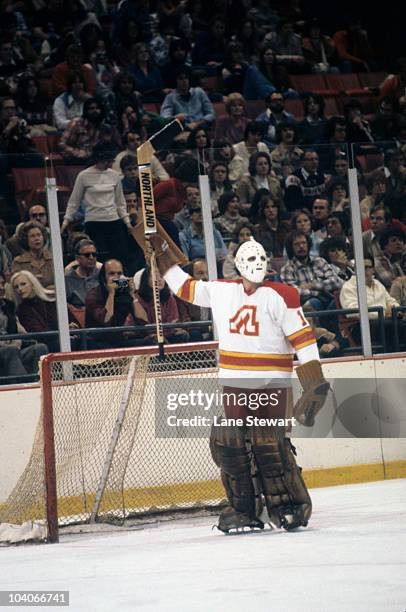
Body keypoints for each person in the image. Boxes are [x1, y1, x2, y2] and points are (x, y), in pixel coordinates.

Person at [141, 232, 328, 533]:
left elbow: (303, 342)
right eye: (251, 259)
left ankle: (287, 504)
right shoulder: (221, 290)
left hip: (272, 384)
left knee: (270, 445)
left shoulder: (283, 295)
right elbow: (183, 286)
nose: (257, 264)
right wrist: (161, 253)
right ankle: (245, 509)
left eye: (261, 258)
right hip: (234, 385)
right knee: (230, 444)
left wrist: (314, 383)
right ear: (239, 264)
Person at [61, 142, 132, 265]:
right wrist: (66, 221)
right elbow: (74, 202)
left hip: (114, 222)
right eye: (109, 160)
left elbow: (120, 203)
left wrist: (127, 223)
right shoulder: (83, 176)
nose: (111, 163)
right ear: (101, 159)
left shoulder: (114, 176)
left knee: (120, 258)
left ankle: (121, 284)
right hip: (94, 224)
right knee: (99, 260)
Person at [85, 258, 149, 348]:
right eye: (111, 274)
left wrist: (133, 295)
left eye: (119, 274)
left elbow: (143, 320)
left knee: (150, 343)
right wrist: (111, 293)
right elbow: (106, 319)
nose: (116, 277)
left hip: (119, 340)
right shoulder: (93, 295)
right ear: (103, 277)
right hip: (97, 341)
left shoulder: (125, 292)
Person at [340, 258, 401, 351]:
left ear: (373, 269)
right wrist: (383, 314)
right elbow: (352, 312)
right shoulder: (348, 286)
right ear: (355, 269)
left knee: (399, 325)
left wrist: (396, 310)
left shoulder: (378, 284)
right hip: (360, 326)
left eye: (368, 267)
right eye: (361, 267)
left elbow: (390, 301)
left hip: (382, 322)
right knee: (391, 326)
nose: (364, 270)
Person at [10, 270, 77, 353]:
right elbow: (39, 333)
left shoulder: (51, 300)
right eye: (16, 287)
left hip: (65, 338)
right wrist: (64, 332)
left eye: (23, 284)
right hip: (45, 344)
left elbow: (74, 322)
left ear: (32, 284)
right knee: (66, 344)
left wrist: (72, 327)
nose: (20, 289)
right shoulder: (21, 310)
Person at [0, 272, 48, 379]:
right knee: (10, 351)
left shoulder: (8, 305)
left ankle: (42, 384)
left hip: (14, 348)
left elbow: (20, 332)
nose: (1, 287)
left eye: (3, 283)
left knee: (40, 348)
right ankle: (25, 386)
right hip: (5, 350)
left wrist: (18, 342)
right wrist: (10, 345)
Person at [281, 230, 343, 312]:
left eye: (304, 243)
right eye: (297, 244)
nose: (301, 246)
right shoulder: (287, 269)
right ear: (291, 248)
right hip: (306, 305)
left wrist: (312, 285)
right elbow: (295, 293)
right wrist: (319, 293)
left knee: (340, 300)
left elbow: (336, 282)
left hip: (329, 299)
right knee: (314, 302)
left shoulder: (320, 261)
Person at [137, 267, 189, 344]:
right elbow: (143, 326)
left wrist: (176, 330)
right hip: (145, 336)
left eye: (161, 276)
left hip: (166, 334)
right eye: (155, 276)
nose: (159, 279)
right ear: (146, 280)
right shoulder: (139, 299)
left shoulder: (169, 298)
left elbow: (173, 322)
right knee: (155, 341)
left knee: (183, 336)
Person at [160, 65, 215, 132]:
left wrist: (197, 124)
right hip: (182, 129)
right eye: (181, 79)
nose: (184, 81)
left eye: (186, 78)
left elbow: (211, 114)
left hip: (201, 127)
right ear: (175, 80)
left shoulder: (199, 92)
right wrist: (176, 118)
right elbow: (164, 118)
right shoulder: (170, 97)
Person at [65, 239, 101, 327]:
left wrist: (128, 283)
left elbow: (124, 282)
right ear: (77, 258)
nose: (91, 257)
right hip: (80, 320)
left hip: (101, 317)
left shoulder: (104, 273)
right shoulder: (67, 279)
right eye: (87, 255)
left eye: (94, 254)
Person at [11, 221, 54, 289]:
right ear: (26, 239)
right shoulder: (18, 262)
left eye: (39, 235)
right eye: (32, 236)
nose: (37, 239)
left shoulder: (53, 258)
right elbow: (17, 286)